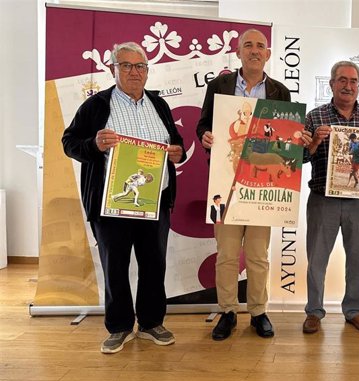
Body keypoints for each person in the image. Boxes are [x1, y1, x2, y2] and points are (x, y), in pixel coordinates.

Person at [62, 42, 186, 354]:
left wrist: (176, 152)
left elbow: (178, 144)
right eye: (126, 66)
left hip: (154, 201)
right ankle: (118, 327)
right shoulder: (96, 106)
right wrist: (94, 145)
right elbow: (69, 142)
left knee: (154, 264)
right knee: (115, 266)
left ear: (147, 71)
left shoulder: (159, 105)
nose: (134, 72)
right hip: (111, 203)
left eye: (140, 66)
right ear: (113, 70)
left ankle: (150, 323)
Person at [196, 28, 312, 340]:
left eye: (260, 46)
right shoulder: (218, 85)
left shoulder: (279, 91)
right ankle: (228, 311)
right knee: (227, 254)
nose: (254, 50)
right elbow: (204, 124)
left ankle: (258, 311)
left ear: (268, 54)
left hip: (261, 188)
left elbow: (285, 135)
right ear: (238, 52)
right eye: (248, 45)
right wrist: (204, 136)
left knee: (259, 254)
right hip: (225, 181)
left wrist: (298, 140)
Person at [302, 61, 359, 334]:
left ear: (358, 86)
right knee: (317, 258)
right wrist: (315, 142)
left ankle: (354, 310)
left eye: (353, 81)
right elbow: (299, 158)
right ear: (331, 84)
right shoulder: (315, 117)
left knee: (358, 258)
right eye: (342, 80)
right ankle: (314, 312)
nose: (348, 85)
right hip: (323, 198)